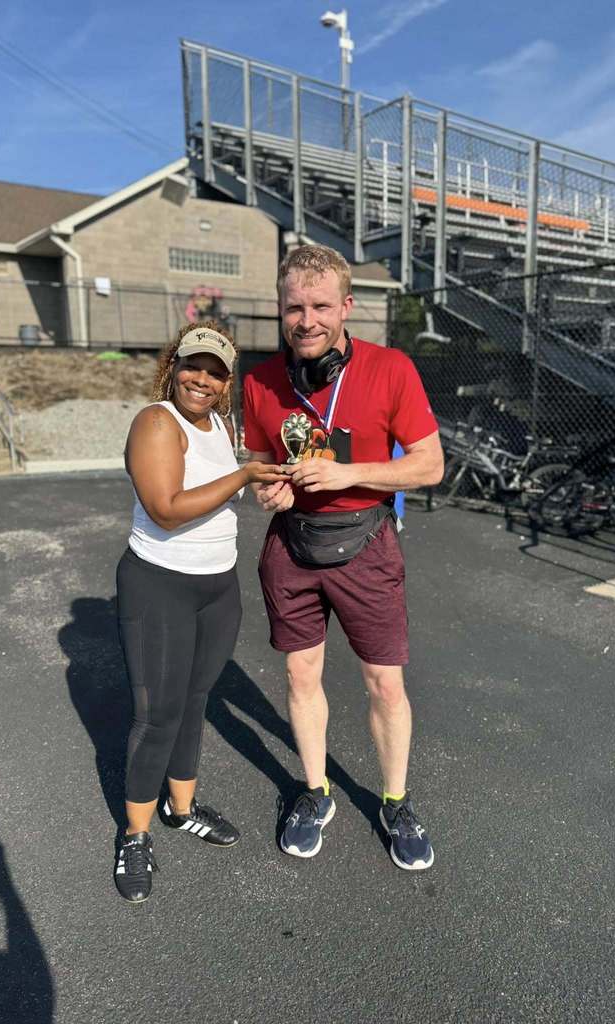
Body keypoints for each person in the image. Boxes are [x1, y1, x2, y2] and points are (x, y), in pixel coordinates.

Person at [242, 245, 444, 871]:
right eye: (294, 308)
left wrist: (350, 473)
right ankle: (315, 790)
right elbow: (259, 469)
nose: (307, 320)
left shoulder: (390, 369)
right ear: (280, 309)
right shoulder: (259, 381)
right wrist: (268, 491)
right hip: (292, 545)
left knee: (385, 683)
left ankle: (395, 802)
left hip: (367, 544)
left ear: (346, 307)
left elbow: (430, 465)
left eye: (321, 306)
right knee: (301, 677)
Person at [114, 321, 285, 903]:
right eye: (193, 366)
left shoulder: (222, 425)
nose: (202, 380)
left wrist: (265, 489)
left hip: (217, 587)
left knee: (194, 702)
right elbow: (165, 509)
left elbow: (221, 496)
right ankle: (135, 835)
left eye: (216, 373)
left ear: (227, 382)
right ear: (173, 365)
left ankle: (181, 809)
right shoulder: (157, 421)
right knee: (157, 715)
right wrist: (244, 473)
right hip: (159, 586)